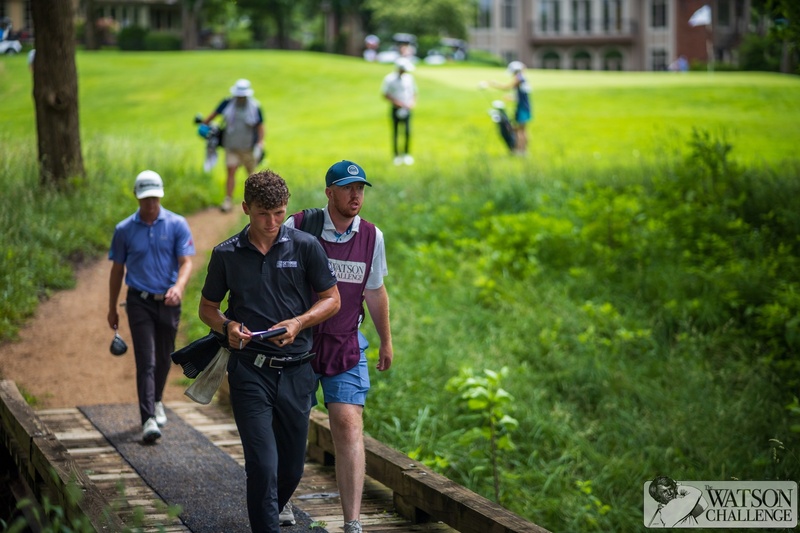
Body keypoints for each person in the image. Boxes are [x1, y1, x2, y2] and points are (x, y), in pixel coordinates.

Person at [198, 169, 341, 532]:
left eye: (279, 213)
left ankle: (270, 509)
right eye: (263, 214)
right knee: (262, 465)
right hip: (250, 371)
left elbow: (332, 299)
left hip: (297, 371)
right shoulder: (226, 254)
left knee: (291, 468)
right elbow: (207, 309)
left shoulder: (306, 246)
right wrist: (227, 327)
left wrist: (299, 322)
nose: (272, 222)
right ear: (246, 208)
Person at [285, 160, 394, 533]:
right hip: (299, 343)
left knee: (348, 425)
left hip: (346, 343)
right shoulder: (300, 226)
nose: (356, 195)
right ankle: (280, 500)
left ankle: (352, 522)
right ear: (329, 192)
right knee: (291, 424)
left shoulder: (372, 237)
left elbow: (375, 291)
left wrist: (386, 341)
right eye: (348, 188)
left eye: (360, 188)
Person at [107, 170, 195, 443]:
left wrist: (179, 287)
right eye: (146, 198)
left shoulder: (177, 224)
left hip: (169, 302)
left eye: (155, 198)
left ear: (161, 195)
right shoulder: (124, 230)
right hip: (139, 302)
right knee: (146, 359)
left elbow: (186, 262)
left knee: (165, 357)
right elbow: (117, 270)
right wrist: (112, 307)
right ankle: (147, 418)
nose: (151, 203)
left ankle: (156, 400)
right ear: (136, 196)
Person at [202, 78, 265, 213]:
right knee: (230, 172)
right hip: (231, 146)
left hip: (248, 148)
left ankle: (256, 202)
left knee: (253, 176)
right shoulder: (227, 104)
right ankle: (228, 200)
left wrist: (260, 144)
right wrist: (204, 125)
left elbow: (260, 127)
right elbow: (212, 115)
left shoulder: (254, 107)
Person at [489, 61, 532, 156]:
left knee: (520, 130)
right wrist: (512, 98)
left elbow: (507, 87)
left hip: (522, 108)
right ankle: (523, 150)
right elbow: (522, 96)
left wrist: (495, 84)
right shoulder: (523, 78)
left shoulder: (519, 78)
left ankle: (520, 151)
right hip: (525, 107)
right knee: (522, 129)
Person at [381, 58, 418, 166]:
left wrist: (412, 103)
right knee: (396, 132)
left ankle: (406, 154)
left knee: (407, 132)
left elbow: (414, 92)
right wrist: (398, 103)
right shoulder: (389, 79)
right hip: (396, 108)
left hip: (407, 108)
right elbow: (385, 94)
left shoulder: (409, 78)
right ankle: (396, 155)